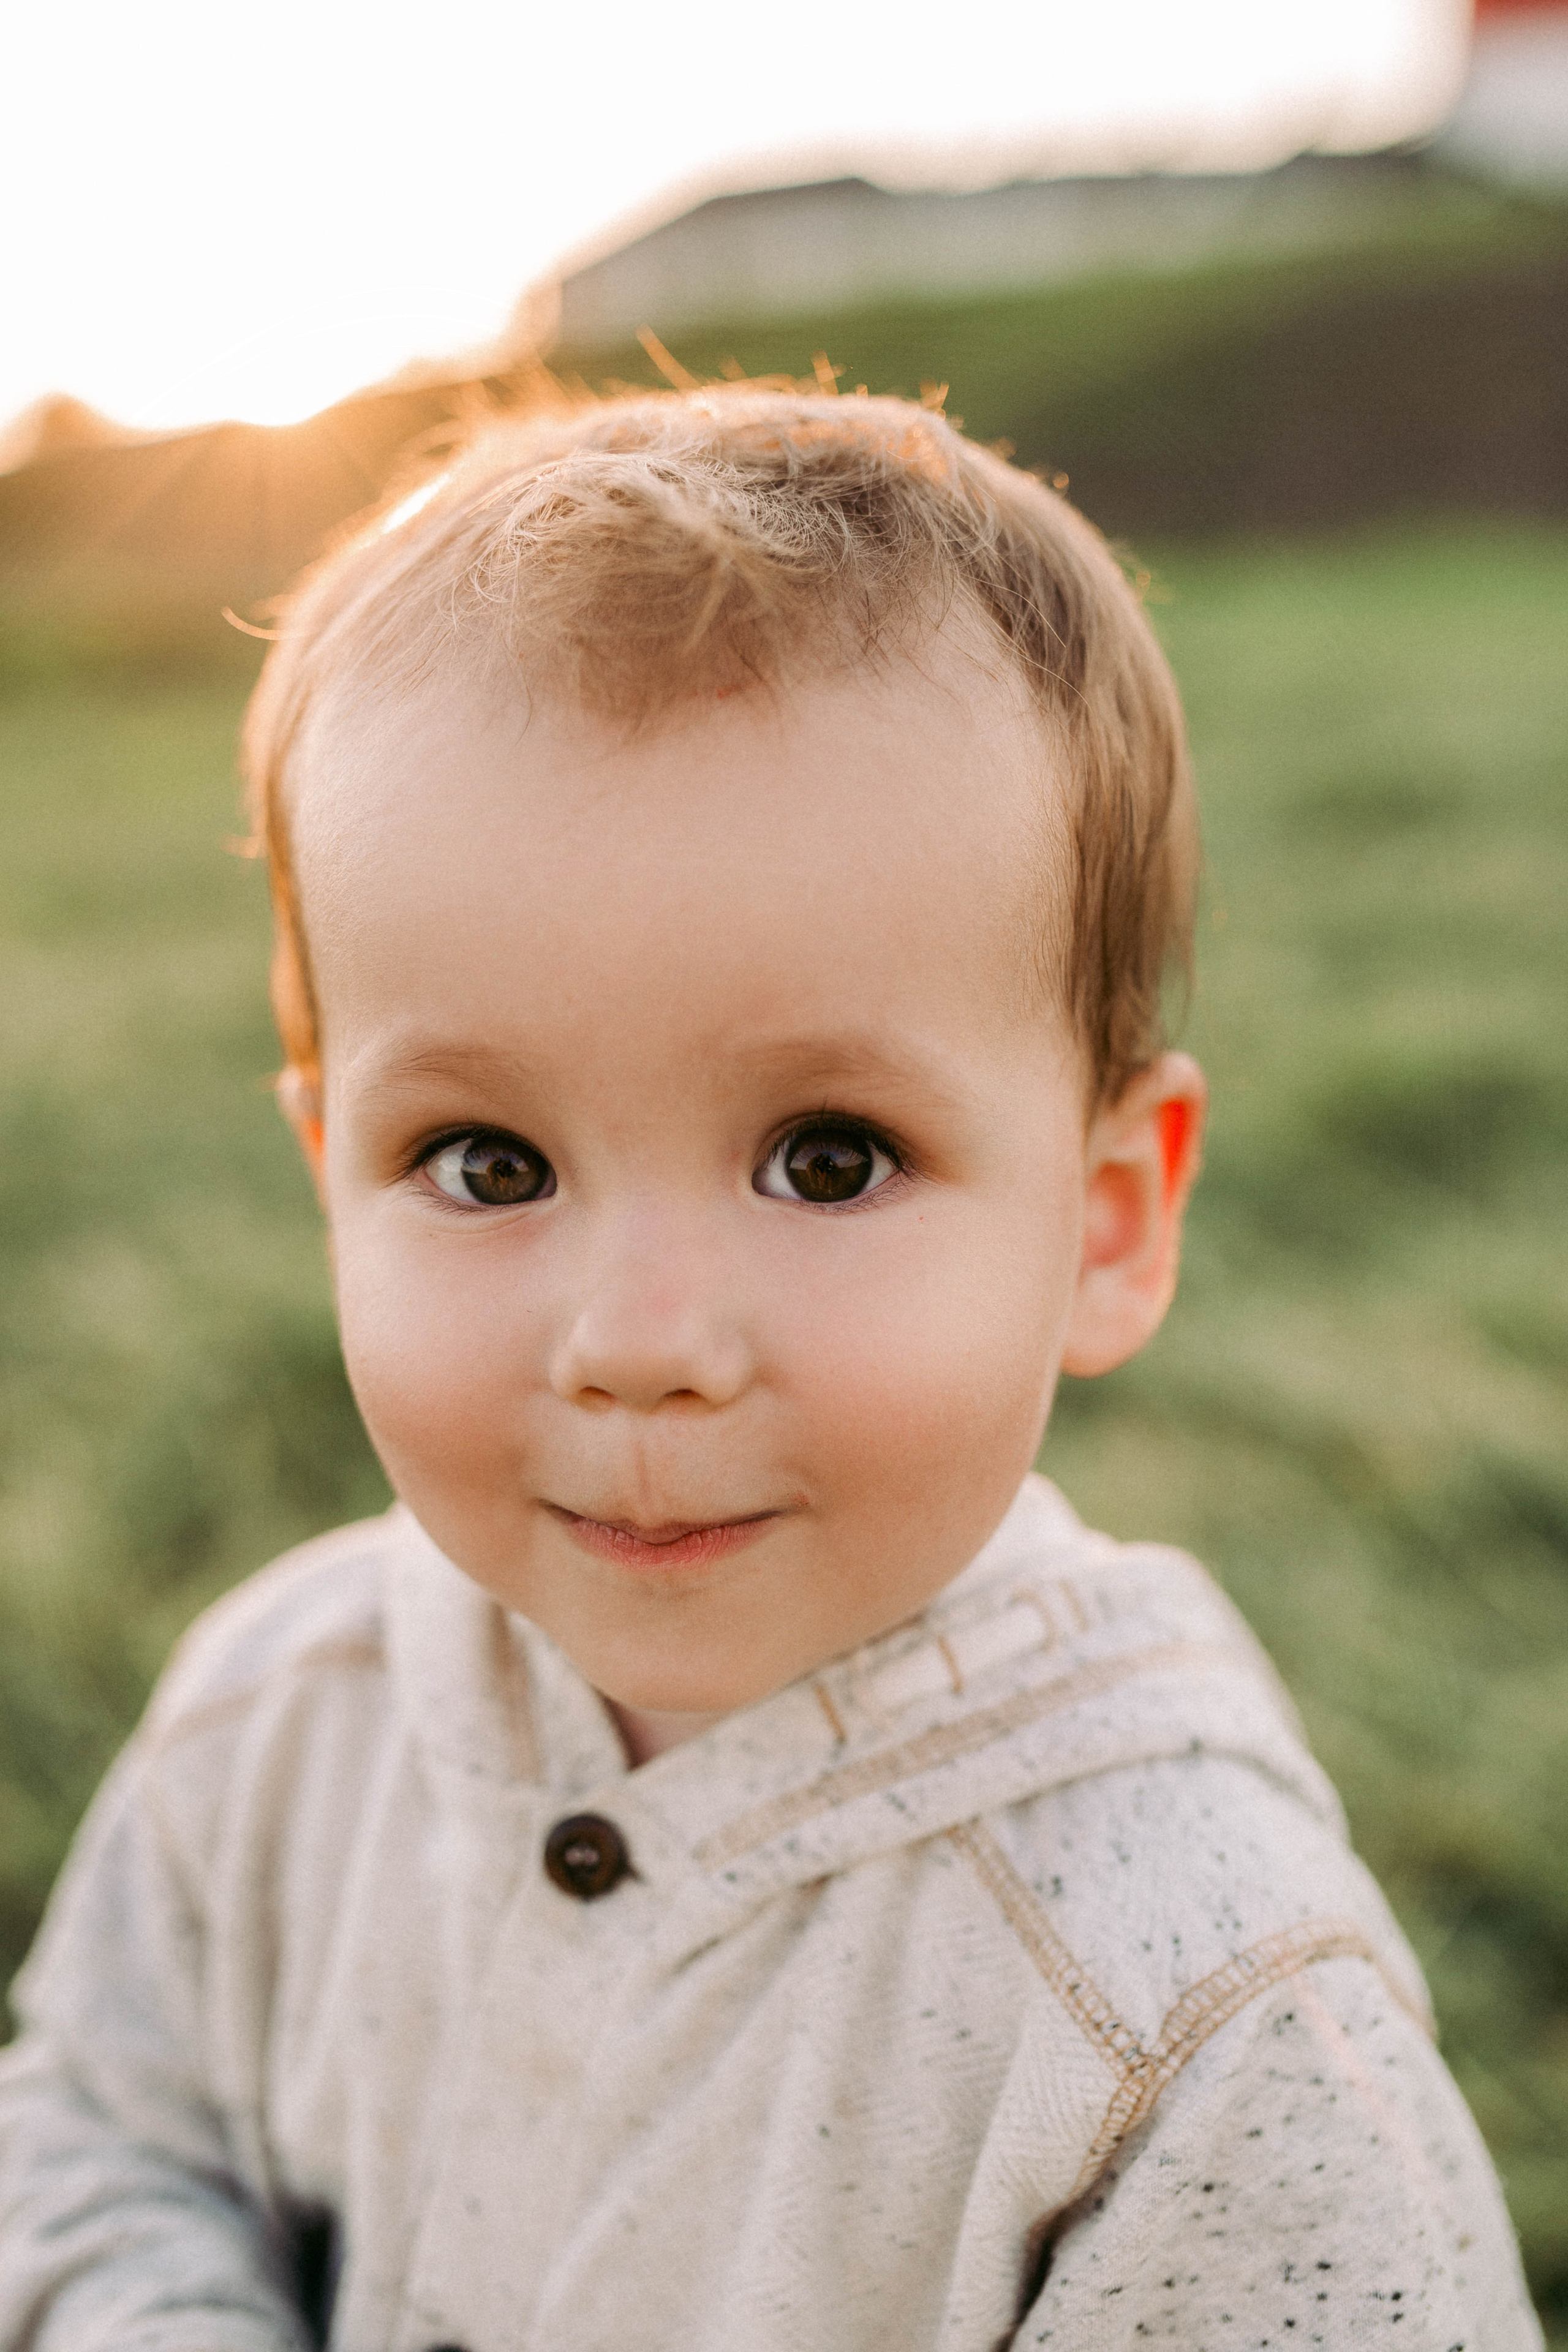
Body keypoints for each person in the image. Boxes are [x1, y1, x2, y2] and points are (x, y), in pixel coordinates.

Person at [0, 386, 1540, 2351]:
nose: (639, 1344)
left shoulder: (1195, 2022)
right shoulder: (279, 1719)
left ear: (1104, 1217)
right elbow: (100, 2128)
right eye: (487, 1164)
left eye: (829, 1158)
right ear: (331, 1183)